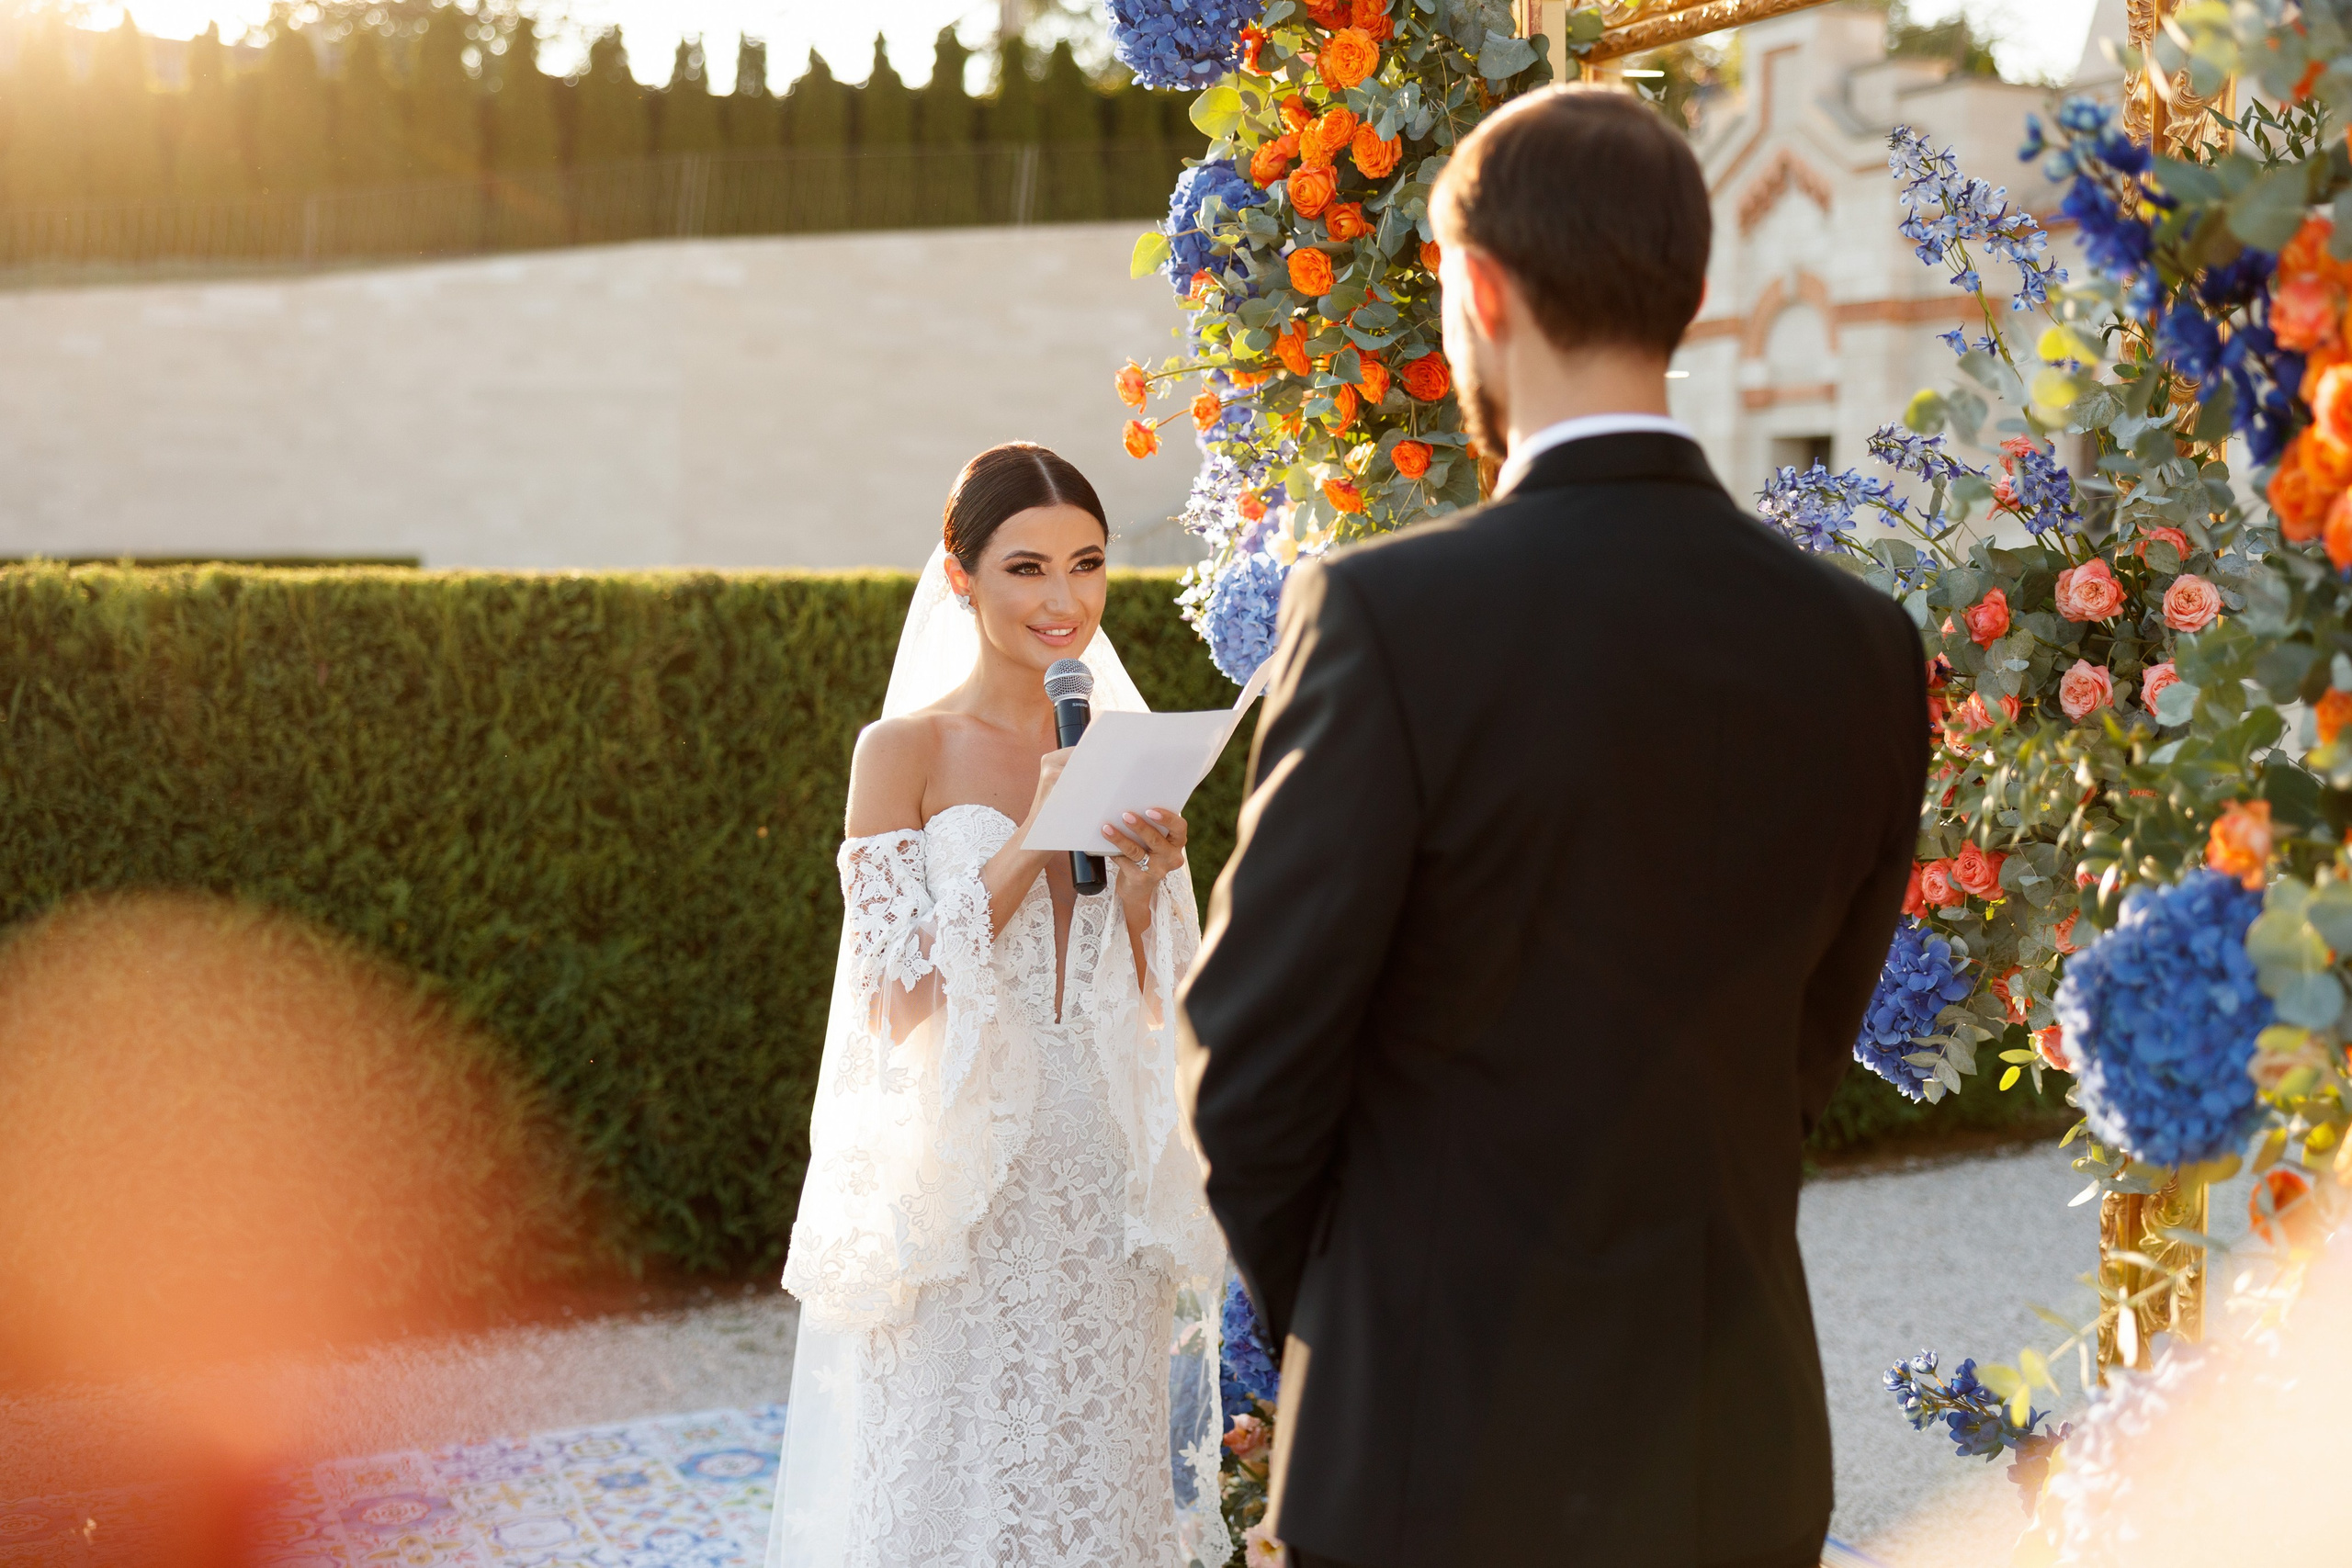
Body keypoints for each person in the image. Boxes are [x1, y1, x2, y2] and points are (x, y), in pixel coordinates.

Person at [1177, 86, 1929, 1568]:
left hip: (1432, 1466)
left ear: (1479, 289)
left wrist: (1370, 1317)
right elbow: (1799, 1058)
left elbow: (1247, 1065)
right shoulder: (1861, 642)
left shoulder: (1385, 616)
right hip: (1736, 1457)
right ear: (1697, 298)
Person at [768, 443, 1229, 1568]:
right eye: (1026, 568)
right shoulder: (903, 752)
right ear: (961, 573)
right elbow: (896, 1005)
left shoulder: (1132, 749)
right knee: (952, 1495)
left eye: (1086, 564)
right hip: (963, 1202)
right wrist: (1032, 838)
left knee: (1090, 1496)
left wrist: (1142, 897)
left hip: (1099, 1195)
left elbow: (1164, 1007)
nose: (1063, 601)